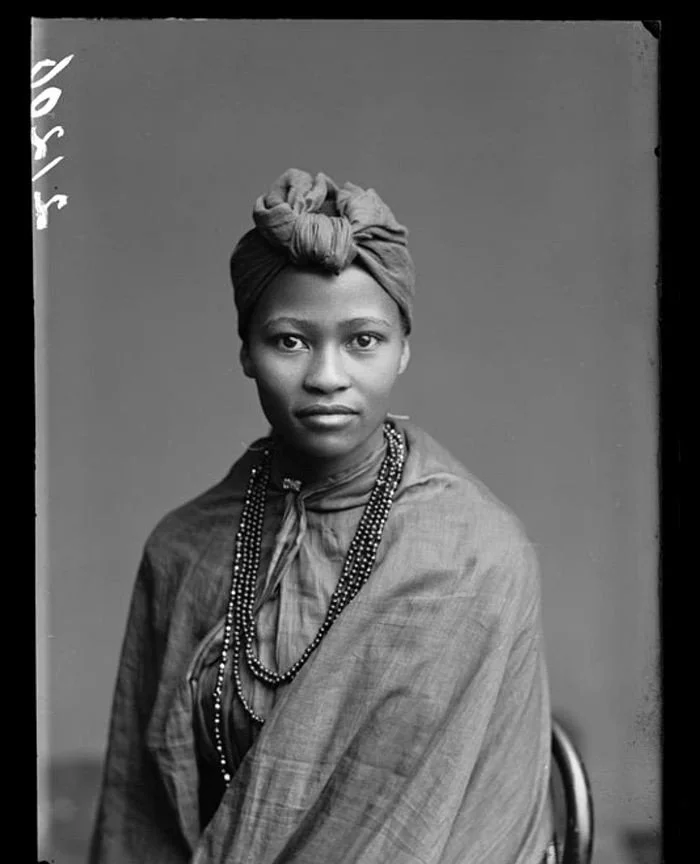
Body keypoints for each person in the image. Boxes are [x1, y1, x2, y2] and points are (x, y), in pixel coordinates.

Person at [89, 169, 556, 863]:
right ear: (247, 352)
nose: (327, 376)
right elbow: (142, 819)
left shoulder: (475, 553)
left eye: (363, 340)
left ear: (404, 348)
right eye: (290, 341)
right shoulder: (185, 549)